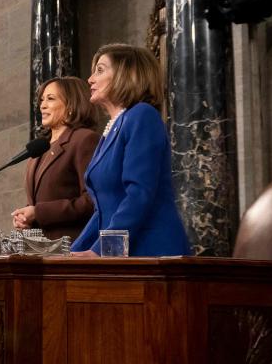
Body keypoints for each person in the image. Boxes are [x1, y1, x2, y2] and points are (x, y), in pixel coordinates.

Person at [70, 44, 190, 257]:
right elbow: (103, 211)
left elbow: (139, 194)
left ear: (127, 74)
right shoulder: (113, 127)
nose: (90, 79)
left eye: (100, 70)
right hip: (124, 252)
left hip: (151, 251)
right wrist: (71, 253)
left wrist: (101, 251)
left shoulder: (142, 116)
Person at [11, 77, 100, 239]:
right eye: (42, 100)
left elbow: (92, 201)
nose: (42, 105)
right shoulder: (40, 148)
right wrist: (25, 217)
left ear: (71, 105)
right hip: (40, 250)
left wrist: (38, 212)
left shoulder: (84, 140)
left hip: (71, 248)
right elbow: (40, 200)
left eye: (50, 99)